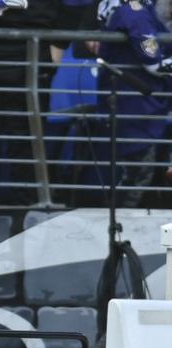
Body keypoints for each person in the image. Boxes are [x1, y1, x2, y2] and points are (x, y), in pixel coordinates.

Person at [0, 0, 75, 205]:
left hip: (32, 50)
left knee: (27, 142)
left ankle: (28, 213)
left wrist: (58, 47)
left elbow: (78, 3)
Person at [95, 0, 172, 207]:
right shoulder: (133, 12)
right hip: (134, 104)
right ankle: (118, 225)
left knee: (143, 173)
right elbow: (154, 63)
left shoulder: (137, 9)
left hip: (141, 103)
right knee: (138, 174)